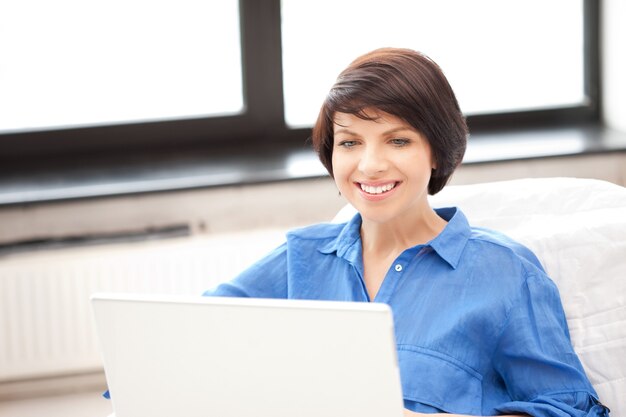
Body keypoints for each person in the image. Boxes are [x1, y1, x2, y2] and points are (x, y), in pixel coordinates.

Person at [203, 48, 610, 417]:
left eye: (397, 140)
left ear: (435, 151)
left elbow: (572, 409)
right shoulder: (300, 258)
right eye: (349, 142)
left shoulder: (503, 271)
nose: (369, 165)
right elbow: (193, 337)